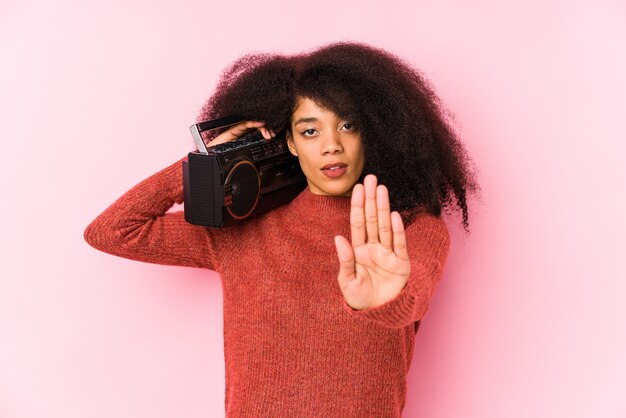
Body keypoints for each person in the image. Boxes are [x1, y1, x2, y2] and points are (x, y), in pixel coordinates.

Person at [84, 41, 479, 417]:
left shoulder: (409, 229)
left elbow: (410, 299)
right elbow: (113, 231)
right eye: (310, 131)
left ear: (373, 132)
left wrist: (383, 302)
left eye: (347, 126)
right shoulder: (242, 233)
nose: (330, 146)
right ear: (289, 142)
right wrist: (206, 165)